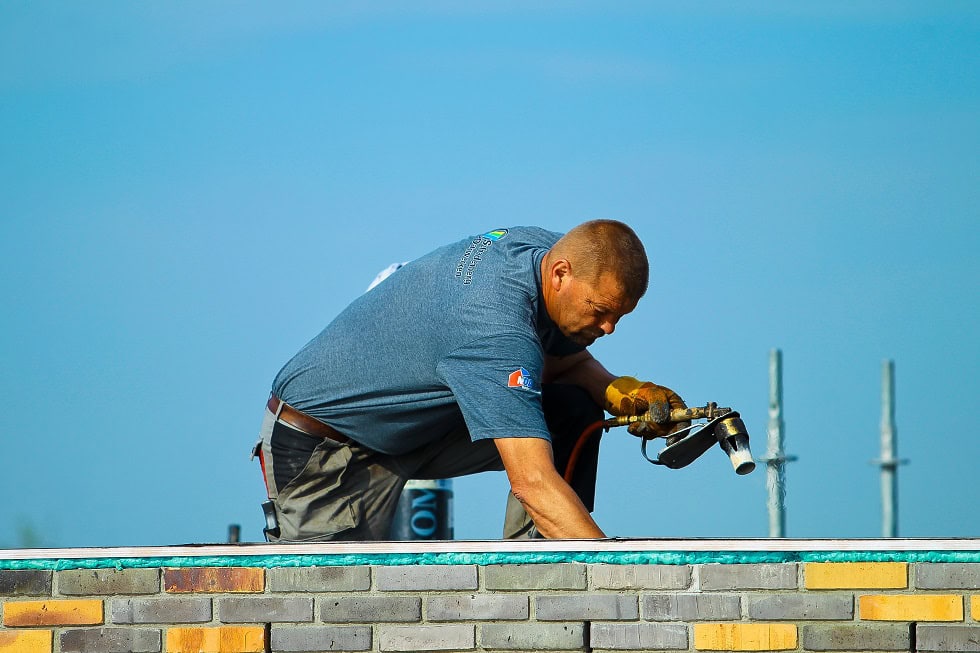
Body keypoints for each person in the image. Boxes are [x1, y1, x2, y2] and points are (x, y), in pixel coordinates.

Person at [253, 220, 687, 541]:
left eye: (619, 315)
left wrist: (617, 389)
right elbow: (532, 482)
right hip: (329, 453)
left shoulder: (540, 252)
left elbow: (562, 363)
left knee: (572, 408)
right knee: (331, 608)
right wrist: (617, 576)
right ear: (560, 274)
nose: (609, 328)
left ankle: (542, 578)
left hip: (415, 428)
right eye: (600, 311)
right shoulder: (494, 328)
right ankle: (572, 558)